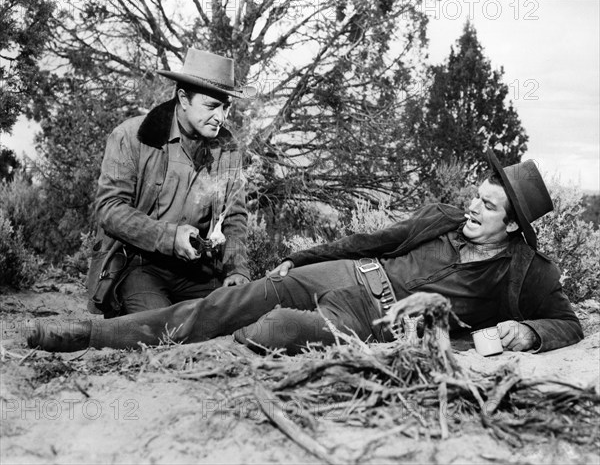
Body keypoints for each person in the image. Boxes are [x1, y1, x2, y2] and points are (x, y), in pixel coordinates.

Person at [27, 151, 583, 354]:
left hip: (377, 317)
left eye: (486, 206)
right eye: (475, 195)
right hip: (349, 270)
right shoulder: (440, 218)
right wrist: (303, 257)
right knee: (239, 300)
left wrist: (529, 333)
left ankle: (266, 331)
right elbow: (371, 240)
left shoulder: (526, 272)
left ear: (511, 225)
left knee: (270, 331)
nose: (471, 207)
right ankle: (90, 336)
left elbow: (567, 323)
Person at [85, 48, 252, 319]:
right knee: (163, 328)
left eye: (226, 107)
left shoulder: (228, 149)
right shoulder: (130, 137)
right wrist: (170, 237)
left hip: (198, 272)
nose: (221, 118)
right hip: (139, 265)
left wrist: (236, 270)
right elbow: (109, 208)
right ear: (183, 98)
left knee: (243, 315)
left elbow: (234, 216)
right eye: (211, 106)